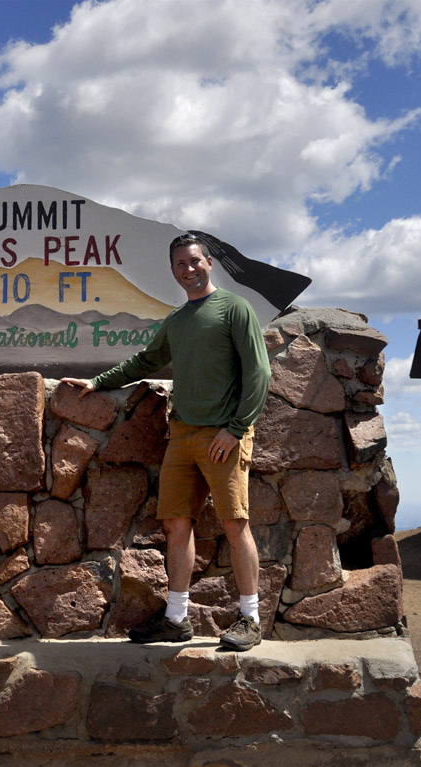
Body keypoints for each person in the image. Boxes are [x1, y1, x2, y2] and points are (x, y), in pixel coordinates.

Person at [62, 233, 271, 651]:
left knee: (235, 524)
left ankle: (251, 619)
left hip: (223, 435)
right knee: (176, 525)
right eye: (180, 264)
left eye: (194, 261)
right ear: (173, 270)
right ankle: (176, 619)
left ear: (209, 263)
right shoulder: (177, 321)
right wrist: (98, 382)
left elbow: (259, 372)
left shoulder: (235, 308)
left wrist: (235, 429)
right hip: (183, 435)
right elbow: (146, 360)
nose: (188, 269)